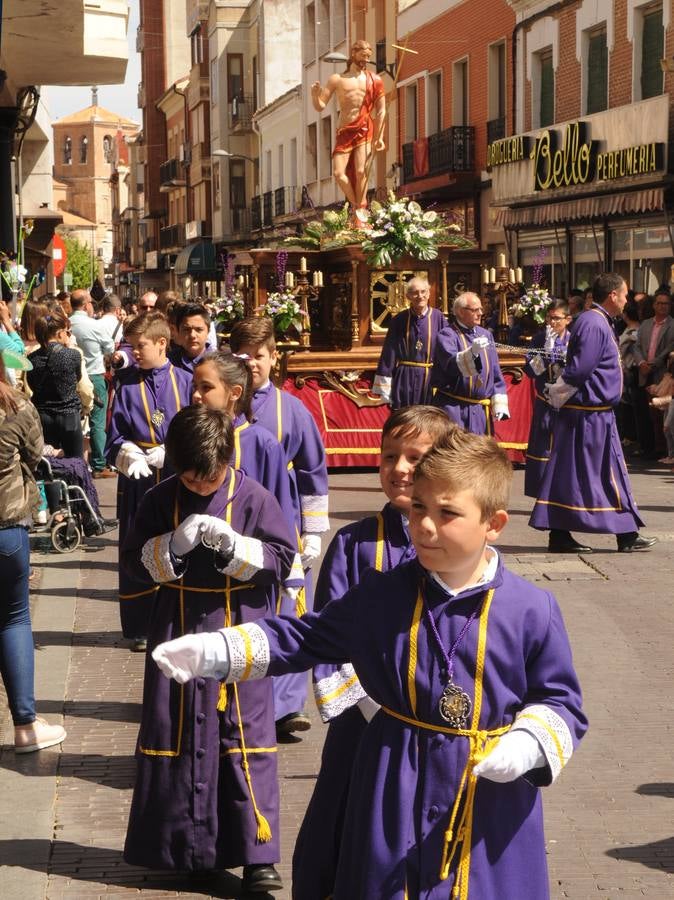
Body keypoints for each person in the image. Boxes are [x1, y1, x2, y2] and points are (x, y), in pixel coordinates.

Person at [153, 428, 588, 900]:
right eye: (419, 507)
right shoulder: (383, 595)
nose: (424, 525)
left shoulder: (532, 609)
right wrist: (215, 650)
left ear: (493, 523)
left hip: (487, 794)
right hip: (394, 780)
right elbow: (306, 636)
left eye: (448, 514)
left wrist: (528, 744)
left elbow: (560, 699)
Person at [120, 405, 298, 894]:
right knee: (175, 730)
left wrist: (236, 548)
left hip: (238, 630)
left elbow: (282, 560)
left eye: (209, 478)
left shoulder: (255, 497)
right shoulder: (159, 500)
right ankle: (190, 849)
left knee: (243, 737)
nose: (200, 488)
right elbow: (135, 563)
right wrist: (171, 549)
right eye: (190, 480)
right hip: (177, 627)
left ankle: (257, 855)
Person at [294, 405, 456, 900]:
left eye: (416, 457)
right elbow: (327, 635)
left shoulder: (459, 545)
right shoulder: (355, 544)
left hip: (439, 730)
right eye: (390, 456)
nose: (400, 468)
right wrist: (369, 705)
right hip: (364, 732)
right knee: (350, 833)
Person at [229, 317, 329, 735]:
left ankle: (287, 707)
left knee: (287, 609)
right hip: (234, 522)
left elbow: (312, 468)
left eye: (260, 355)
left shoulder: (292, 409)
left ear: (274, 358)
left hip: (282, 521)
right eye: (244, 356)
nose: (253, 363)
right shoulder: (224, 405)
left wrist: (313, 529)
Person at [529, 272, 656, 553]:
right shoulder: (594, 323)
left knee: (576, 473)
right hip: (587, 415)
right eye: (623, 295)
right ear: (612, 295)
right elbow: (580, 369)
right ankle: (623, 534)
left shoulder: (594, 321)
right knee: (599, 473)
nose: (626, 300)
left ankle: (615, 533)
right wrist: (558, 393)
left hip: (592, 413)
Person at [105, 312, 192, 652]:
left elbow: (196, 428)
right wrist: (126, 453)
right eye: (131, 346)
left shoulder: (186, 381)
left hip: (176, 475)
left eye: (140, 346)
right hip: (139, 479)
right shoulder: (125, 384)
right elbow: (113, 435)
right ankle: (141, 626)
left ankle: (179, 618)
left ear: (161, 343)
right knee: (138, 543)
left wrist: (171, 452)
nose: (135, 352)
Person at [191, 351, 304, 596]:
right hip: (195, 572)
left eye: (206, 387)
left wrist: (290, 570)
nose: (196, 395)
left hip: (250, 575)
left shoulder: (263, 444)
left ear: (235, 393)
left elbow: (282, 506)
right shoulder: (189, 437)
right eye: (195, 386)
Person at [0, 350, 67, 753]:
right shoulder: (15, 405)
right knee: (12, 618)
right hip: (6, 526)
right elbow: (35, 451)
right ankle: (25, 724)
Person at [310, 39, 385, 215]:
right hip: (344, 131)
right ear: (353, 53)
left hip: (365, 129)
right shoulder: (337, 79)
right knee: (338, 173)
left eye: (368, 57)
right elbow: (320, 106)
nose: (365, 60)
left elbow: (381, 111)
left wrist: (379, 137)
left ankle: (361, 209)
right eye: (363, 56)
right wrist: (315, 96)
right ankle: (355, 205)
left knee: (361, 171)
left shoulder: (375, 80)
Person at [431, 291, 509, 434]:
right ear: (460, 312)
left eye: (481, 309)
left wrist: (499, 404)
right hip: (454, 409)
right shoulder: (447, 334)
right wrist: (472, 353)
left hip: (479, 411)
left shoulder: (486, 334)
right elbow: (451, 366)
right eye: (475, 310)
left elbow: (495, 372)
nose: (480, 313)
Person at [523, 300, 572, 504]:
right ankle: (542, 496)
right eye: (549, 317)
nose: (551, 322)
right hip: (545, 401)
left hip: (569, 403)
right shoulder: (539, 339)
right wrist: (545, 352)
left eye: (556, 318)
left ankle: (567, 494)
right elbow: (530, 370)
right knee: (543, 446)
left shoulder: (575, 339)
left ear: (567, 320)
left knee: (567, 448)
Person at [372, 276, 448, 408]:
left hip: (430, 378)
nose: (420, 296)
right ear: (408, 296)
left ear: (429, 294)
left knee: (429, 419)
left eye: (423, 292)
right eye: (415, 292)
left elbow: (448, 350)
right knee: (404, 418)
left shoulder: (438, 318)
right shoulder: (399, 320)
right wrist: (384, 387)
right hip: (404, 378)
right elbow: (389, 353)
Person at [69, 289, 116, 478]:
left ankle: (72, 460)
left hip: (70, 375)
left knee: (72, 418)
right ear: (86, 304)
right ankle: (98, 464)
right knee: (97, 420)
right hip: (93, 375)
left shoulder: (66, 323)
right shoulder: (94, 325)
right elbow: (110, 347)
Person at [27, 310, 84, 458]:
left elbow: (31, 384)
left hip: (43, 415)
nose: (68, 335)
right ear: (59, 334)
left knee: (50, 463)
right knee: (74, 461)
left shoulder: (32, 358)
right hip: (69, 416)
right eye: (67, 332)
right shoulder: (73, 355)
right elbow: (77, 378)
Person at [631, 289, 674, 457]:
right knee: (644, 412)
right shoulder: (646, 324)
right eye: (660, 303)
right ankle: (647, 447)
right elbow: (637, 347)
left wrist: (653, 364)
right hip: (643, 373)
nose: (663, 306)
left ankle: (662, 449)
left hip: (662, 373)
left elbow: (669, 348)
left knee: (661, 414)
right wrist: (641, 362)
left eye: (666, 303)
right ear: (654, 305)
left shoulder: (672, 325)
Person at [169, 302, 212, 374]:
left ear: (208, 331)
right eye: (186, 329)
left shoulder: (220, 364)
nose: (192, 335)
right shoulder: (168, 362)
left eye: (199, 329)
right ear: (178, 331)